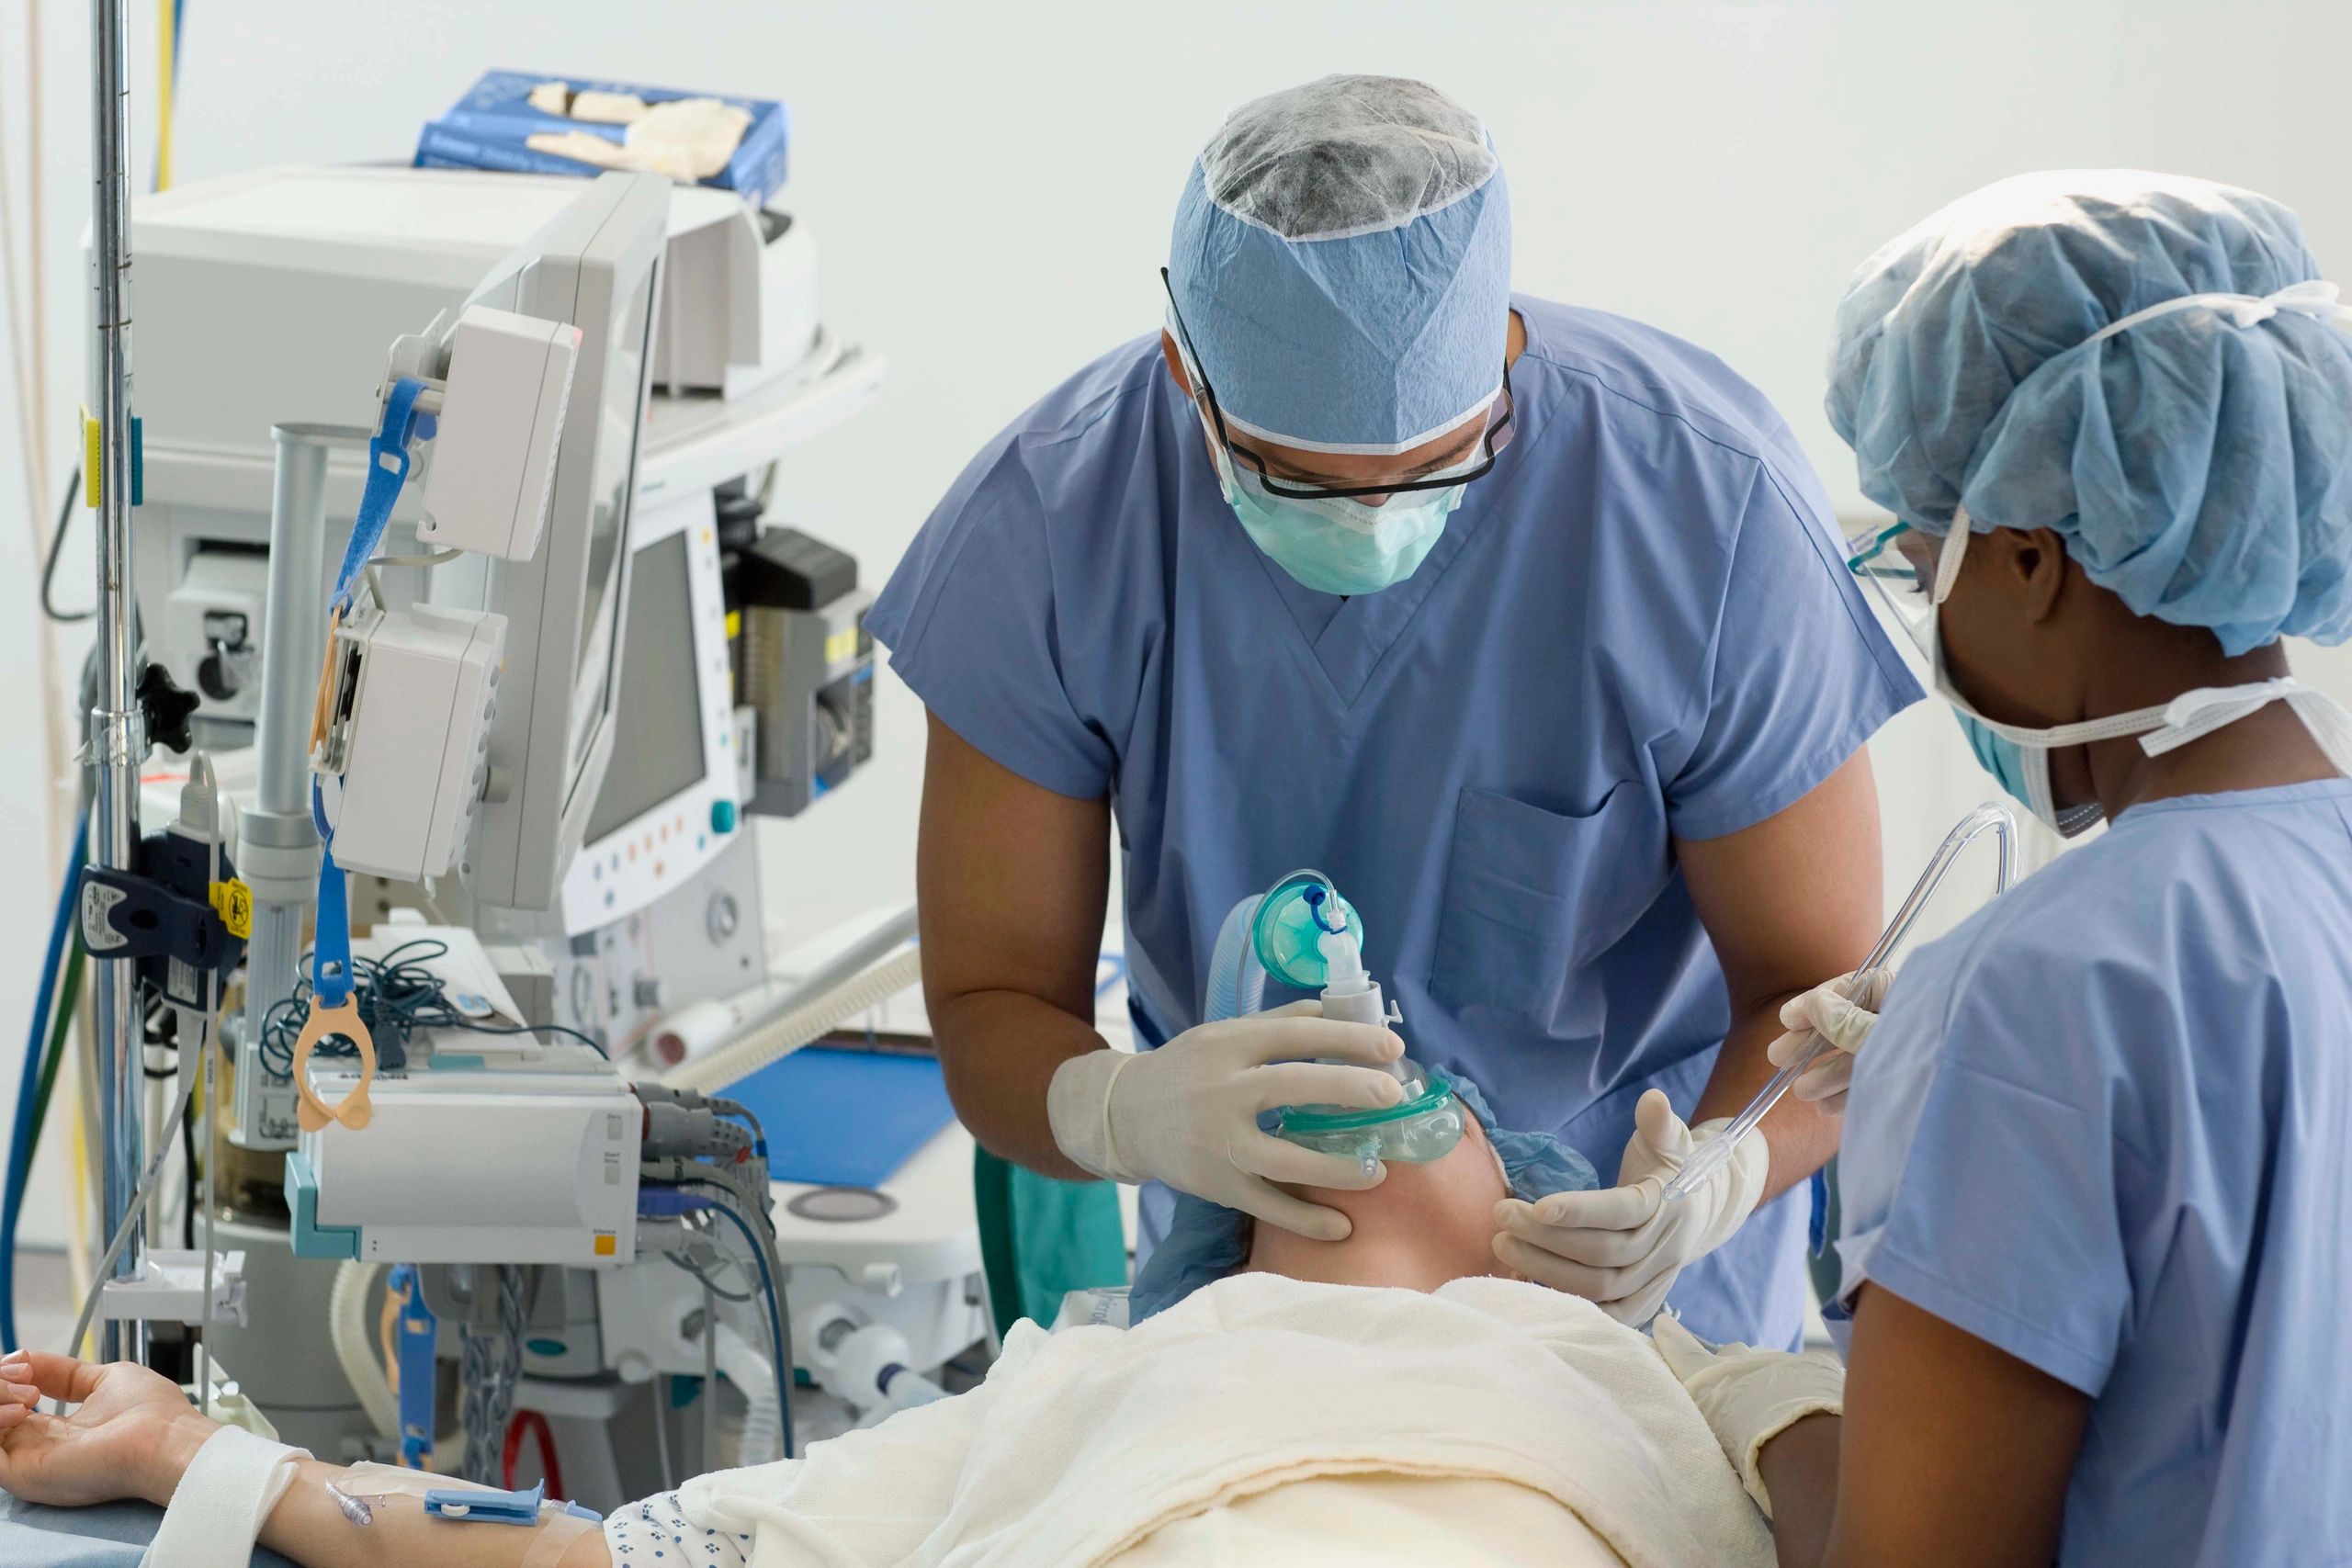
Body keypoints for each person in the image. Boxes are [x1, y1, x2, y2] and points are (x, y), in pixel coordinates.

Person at [876, 73, 1918, 1349]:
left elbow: (1823, 1004)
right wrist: (1122, 1111)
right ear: (1185, 377)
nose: (1372, 520)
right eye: (1296, 478)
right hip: (1236, 1338)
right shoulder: (1050, 528)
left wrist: (1715, 1179)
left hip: (1641, 1307)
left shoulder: (1700, 509)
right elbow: (991, 1005)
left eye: (1436, 467)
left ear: (1501, 359)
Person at [1655, 170, 2352, 1567]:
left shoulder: (2031, 991)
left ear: (2032, 561)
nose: (1932, 620)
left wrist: (1746, 1405)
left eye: (1925, 568)